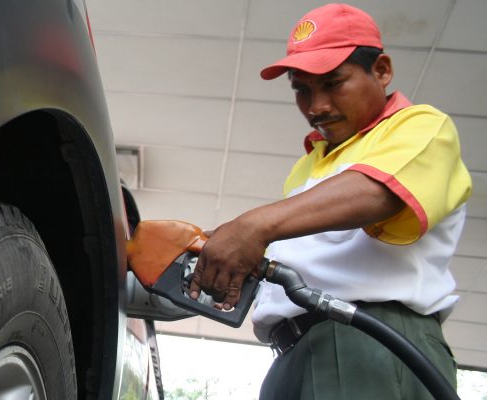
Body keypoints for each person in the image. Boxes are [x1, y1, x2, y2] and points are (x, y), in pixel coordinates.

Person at [187, 3, 472, 399]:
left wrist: (253, 226)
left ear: (381, 70)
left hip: (367, 343)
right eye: (302, 90)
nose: (316, 106)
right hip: (294, 351)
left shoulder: (420, 126)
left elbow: (379, 192)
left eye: (334, 83)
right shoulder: (310, 165)